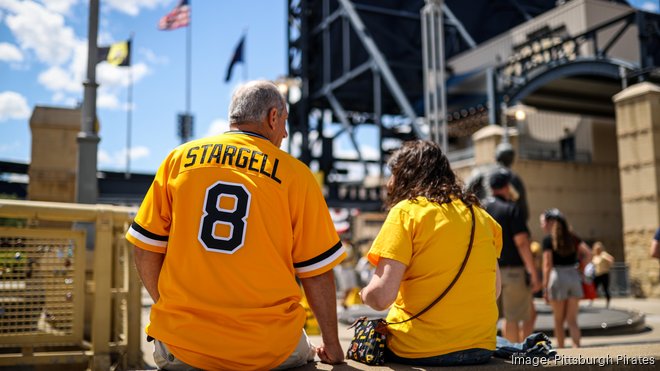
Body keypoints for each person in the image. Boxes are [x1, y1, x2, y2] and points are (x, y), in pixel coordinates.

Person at [126, 80, 346, 370]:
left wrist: (172, 310)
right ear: (273, 117)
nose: (286, 133)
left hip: (183, 347)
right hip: (269, 350)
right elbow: (317, 274)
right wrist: (332, 346)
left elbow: (144, 250)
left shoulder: (178, 159)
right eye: (284, 123)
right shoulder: (297, 175)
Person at [359, 140, 503, 366]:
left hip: (419, 348)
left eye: (394, 174)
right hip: (481, 347)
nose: (389, 184)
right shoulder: (482, 218)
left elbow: (381, 298)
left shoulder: (406, 212)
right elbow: (494, 290)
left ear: (408, 176)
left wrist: (364, 293)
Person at [484, 168, 541, 343]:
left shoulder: (480, 207)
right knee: (513, 318)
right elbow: (522, 243)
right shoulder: (511, 209)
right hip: (513, 271)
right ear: (507, 186)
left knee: (491, 318)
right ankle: (515, 359)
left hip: (487, 270)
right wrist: (533, 272)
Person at [541, 209, 591, 348]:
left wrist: (545, 287)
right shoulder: (573, 237)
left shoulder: (548, 240)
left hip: (558, 277)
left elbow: (547, 265)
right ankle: (577, 349)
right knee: (572, 320)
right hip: (573, 277)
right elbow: (588, 253)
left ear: (551, 222)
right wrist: (581, 269)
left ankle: (562, 351)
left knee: (558, 321)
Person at [591, 241, 614, 307]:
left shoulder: (603, 254)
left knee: (605, 289)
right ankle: (591, 301)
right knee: (593, 288)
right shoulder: (595, 256)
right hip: (597, 274)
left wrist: (608, 266)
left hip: (604, 274)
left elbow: (611, 259)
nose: (597, 250)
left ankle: (608, 302)